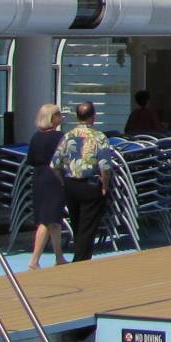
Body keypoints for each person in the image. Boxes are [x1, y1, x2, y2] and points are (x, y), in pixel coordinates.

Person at [51, 101, 115, 264]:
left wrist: (63, 182)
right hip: (91, 184)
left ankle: (79, 259)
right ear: (93, 117)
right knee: (88, 226)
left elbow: (54, 164)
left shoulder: (67, 136)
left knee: (78, 224)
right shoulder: (98, 137)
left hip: (71, 184)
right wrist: (105, 184)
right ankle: (80, 262)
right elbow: (105, 166)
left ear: (77, 116)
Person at [26, 103, 66, 270]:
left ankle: (59, 256)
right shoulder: (59, 137)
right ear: (52, 117)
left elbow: (31, 160)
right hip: (54, 177)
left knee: (54, 219)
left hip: (39, 176)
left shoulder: (36, 137)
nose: (61, 117)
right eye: (59, 114)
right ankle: (34, 260)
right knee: (47, 219)